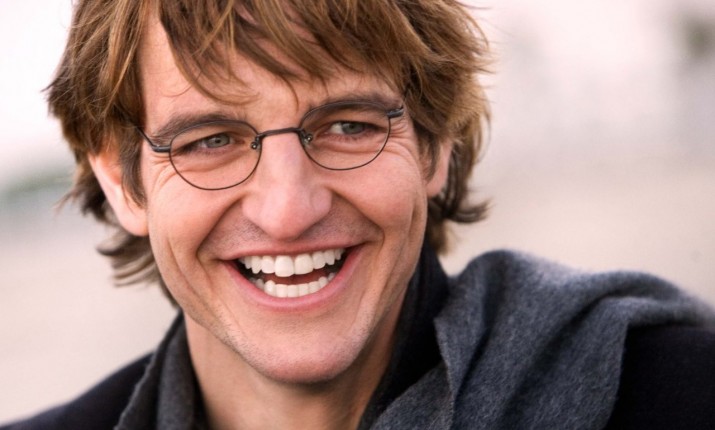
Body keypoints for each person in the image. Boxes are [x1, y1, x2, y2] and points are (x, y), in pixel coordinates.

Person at [3, 0, 715, 429]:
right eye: (211, 141)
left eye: (348, 126)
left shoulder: (676, 394)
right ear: (122, 181)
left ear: (433, 145)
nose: (288, 211)